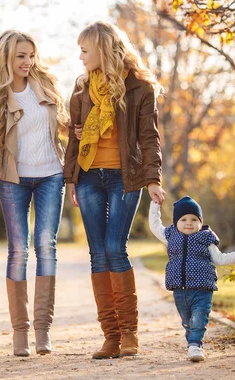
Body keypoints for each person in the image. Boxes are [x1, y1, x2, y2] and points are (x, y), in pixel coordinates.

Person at [63, 21, 166, 359]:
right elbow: (73, 140)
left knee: (113, 247)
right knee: (97, 252)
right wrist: (71, 180)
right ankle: (111, 337)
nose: (80, 57)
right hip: (90, 175)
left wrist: (153, 178)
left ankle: (130, 333)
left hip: (125, 176)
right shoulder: (80, 90)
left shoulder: (139, 88)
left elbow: (149, 137)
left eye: (84, 50)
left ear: (102, 49)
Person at [0, 30, 69, 356]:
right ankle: (20, 333)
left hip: (50, 176)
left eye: (31, 55)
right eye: (20, 56)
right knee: (19, 250)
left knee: (46, 243)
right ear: (6, 58)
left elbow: (68, 128)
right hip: (14, 180)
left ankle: (42, 331)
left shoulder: (46, 84)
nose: (28, 61)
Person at [148, 196, 235, 361]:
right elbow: (154, 226)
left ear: (201, 222)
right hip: (180, 290)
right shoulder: (170, 235)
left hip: (202, 288)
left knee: (199, 318)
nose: (189, 222)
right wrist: (155, 206)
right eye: (184, 219)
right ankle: (192, 345)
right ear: (175, 223)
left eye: (194, 219)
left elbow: (220, 259)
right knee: (187, 321)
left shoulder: (206, 238)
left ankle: (196, 346)